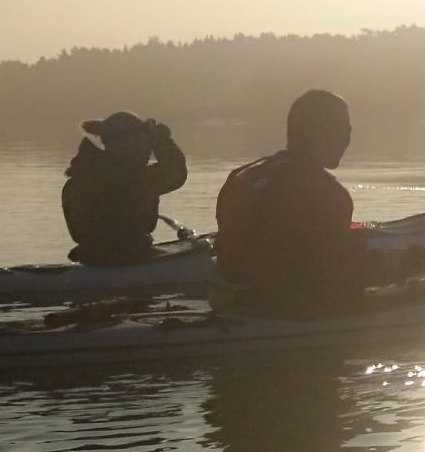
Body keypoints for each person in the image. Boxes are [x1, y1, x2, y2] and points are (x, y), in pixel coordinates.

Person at [212, 89, 384, 317]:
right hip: (285, 308)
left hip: (230, 299)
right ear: (322, 132)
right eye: (343, 130)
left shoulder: (243, 175)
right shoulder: (327, 192)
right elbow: (330, 269)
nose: (347, 139)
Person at [62, 111, 188, 264]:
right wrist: (162, 141)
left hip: (90, 259)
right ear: (130, 144)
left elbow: (78, 234)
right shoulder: (136, 179)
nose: (148, 151)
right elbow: (176, 172)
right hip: (130, 258)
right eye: (145, 143)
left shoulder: (79, 178)